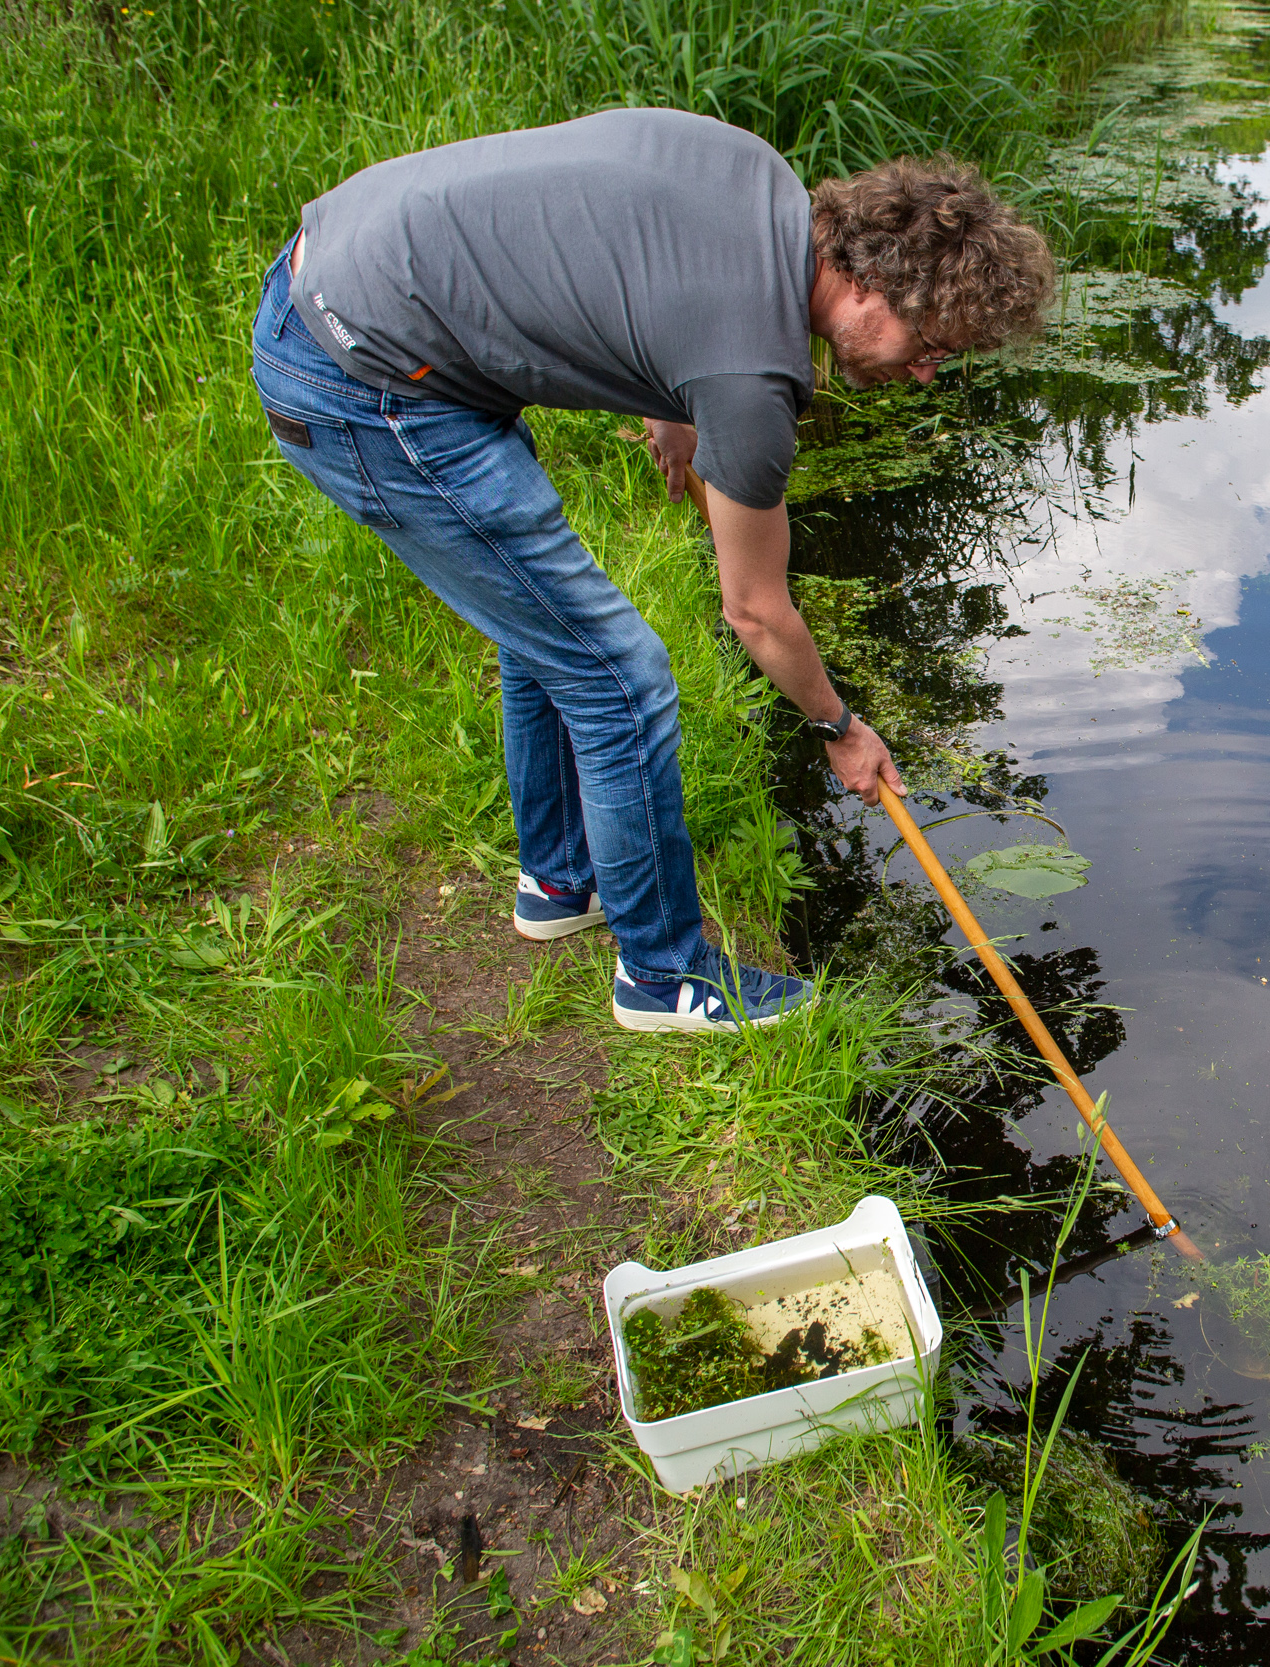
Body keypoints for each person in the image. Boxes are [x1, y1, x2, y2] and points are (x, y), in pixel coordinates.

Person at [251, 108, 1055, 1031]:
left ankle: (560, 881)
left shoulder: (761, 185)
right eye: (933, 348)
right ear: (876, 286)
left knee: (546, 623)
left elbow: (636, 254)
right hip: (363, 375)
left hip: (339, 274)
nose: (924, 375)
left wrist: (673, 407)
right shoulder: (755, 382)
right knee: (619, 674)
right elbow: (755, 610)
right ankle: (664, 977)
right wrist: (838, 726)